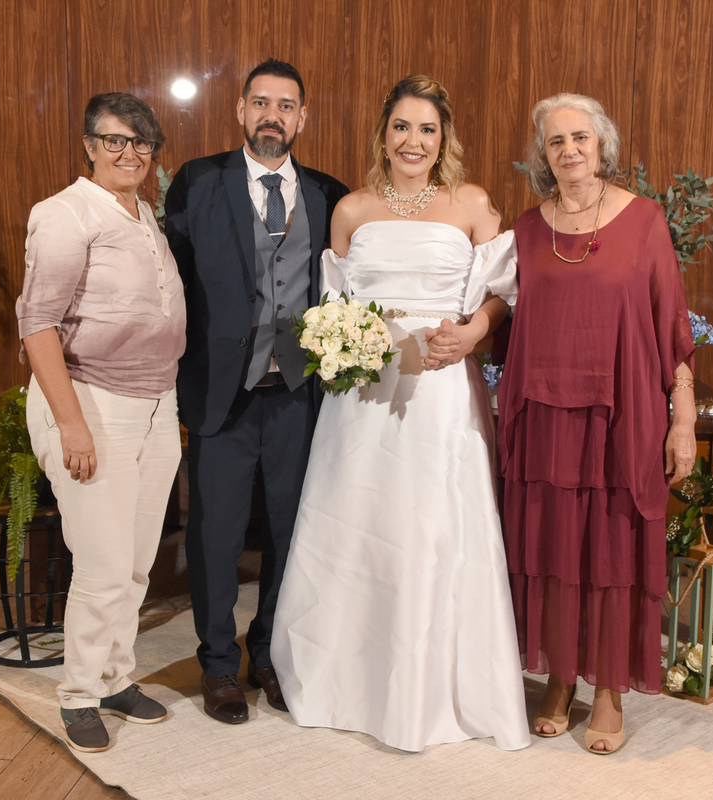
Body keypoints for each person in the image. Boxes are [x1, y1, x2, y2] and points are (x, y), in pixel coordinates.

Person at [270, 75, 532, 753]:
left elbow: (502, 293)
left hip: (439, 384)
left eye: (427, 129)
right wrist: (342, 341)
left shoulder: (472, 203)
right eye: (402, 127)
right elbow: (333, 304)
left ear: (444, 139)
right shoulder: (351, 210)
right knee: (358, 521)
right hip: (362, 392)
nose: (413, 141)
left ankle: (432, 689)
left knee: (430, 522)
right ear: (383, 135)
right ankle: (346, 682)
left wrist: (472, 334)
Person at [497, 93, 696, 755]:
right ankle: (559, 680)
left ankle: (608, 688)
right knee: (554, 550)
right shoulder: (528, 229)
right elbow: (503, 317)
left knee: (611, 553)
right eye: (556, 141)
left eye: (580, 137)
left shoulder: (644, 220)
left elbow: (672, 325)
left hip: (622, 416)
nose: (570, 150)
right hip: (546, 416)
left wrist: (683, 420)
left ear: (602, 144)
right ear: (543, 155)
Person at [164, 59, 349, 725]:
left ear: (302, 117)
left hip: (299, 396)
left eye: (286, 105)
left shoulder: (329, 195)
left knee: (290, 531)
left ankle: (268, 653)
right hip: (223, 393)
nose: (273, 115)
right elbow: (173, 282)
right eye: (261, 103)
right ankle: (218, 664)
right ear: (241, 111)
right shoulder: (197, 182)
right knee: (214, 535)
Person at [16, 92, 185, 753]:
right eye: (115, 141)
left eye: (142, 143)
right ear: (89, 145)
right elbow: (37, 326)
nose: (130, 154)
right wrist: (72, 425)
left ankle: (116, 677)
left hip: (155, 404)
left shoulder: (142, 212)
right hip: (91, 402)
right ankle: (79, 693)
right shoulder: (64, 214)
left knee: (137, 563)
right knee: (104, 563)